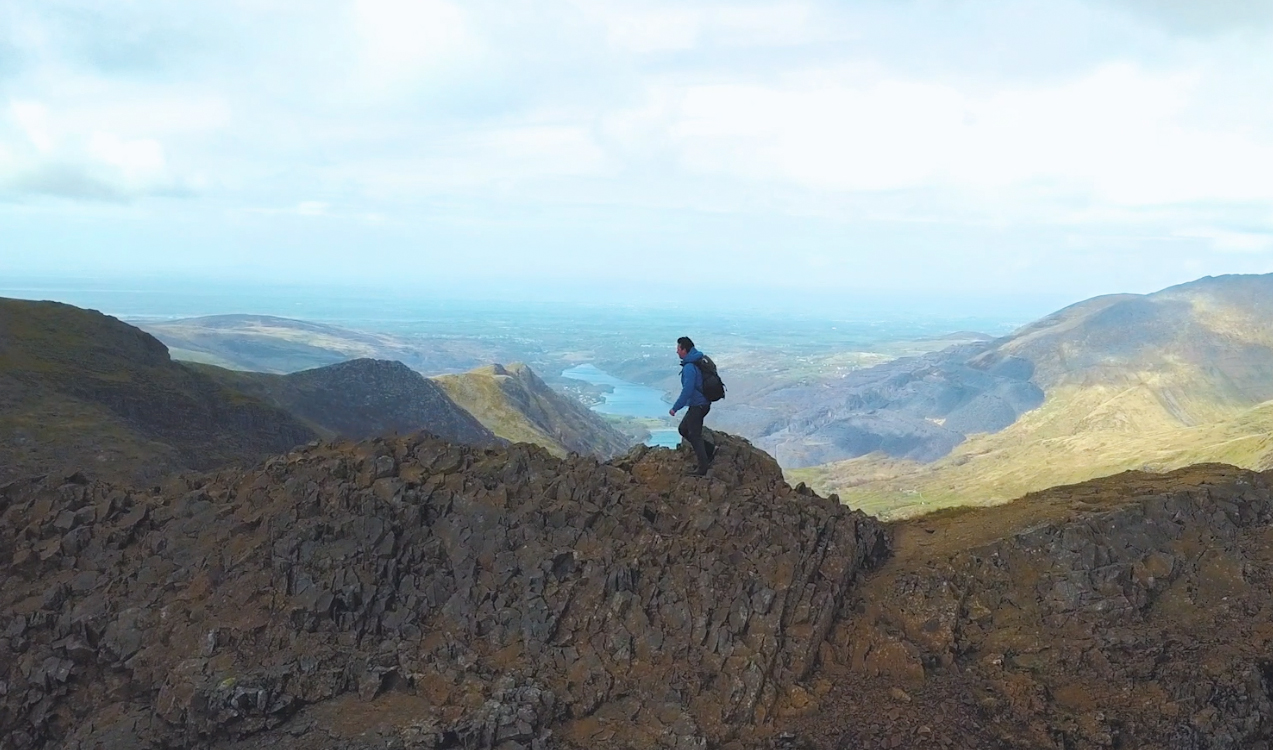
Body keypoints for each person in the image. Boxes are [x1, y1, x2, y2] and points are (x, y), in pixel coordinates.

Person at [669, 336, 717, 476]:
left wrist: (675, 408)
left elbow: (687, 390)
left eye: (678, 348)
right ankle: (709, 450)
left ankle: (703, 467)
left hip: (699, 405)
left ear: (684, 349)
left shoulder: (690, 367)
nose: (677, 351)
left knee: (694, 435)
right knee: (683, 429)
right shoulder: (697, 360)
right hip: (701, 404)